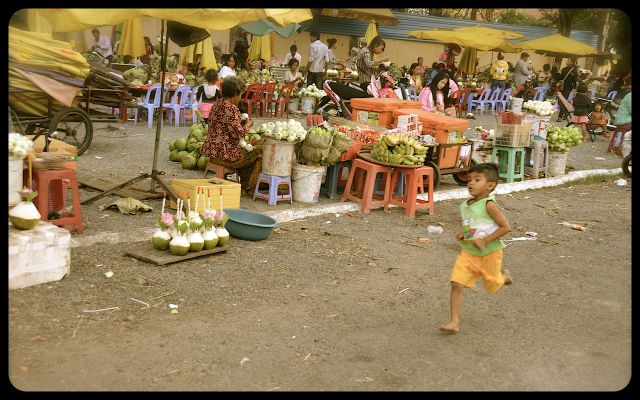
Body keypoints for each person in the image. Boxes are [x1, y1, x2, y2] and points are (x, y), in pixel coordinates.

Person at [440, 163, 512, 333]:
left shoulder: (489, 205)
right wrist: (465, 234)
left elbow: (505, 227)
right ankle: (454, 321)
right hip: (469, 253)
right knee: (456, 283)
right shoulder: (466, 205)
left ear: (490, 186)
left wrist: (485, 240)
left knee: (492, 286)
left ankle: (504, 277)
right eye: (470, 180)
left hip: (489, 253)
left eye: (477, 180)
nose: (471, 183)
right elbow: (473, 225)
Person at [200, 76, 262, 194]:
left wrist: (241, 123)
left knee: (254, 145)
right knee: (260, 151)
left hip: (213, 150)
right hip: (226, 153)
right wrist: (248, 125)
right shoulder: (231, 108)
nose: (240, 98)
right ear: (234, 93)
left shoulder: (217, 104)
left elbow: (226, 127)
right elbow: (238, 134)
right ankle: (247, 187)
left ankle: (243, 184)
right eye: (240, 94)